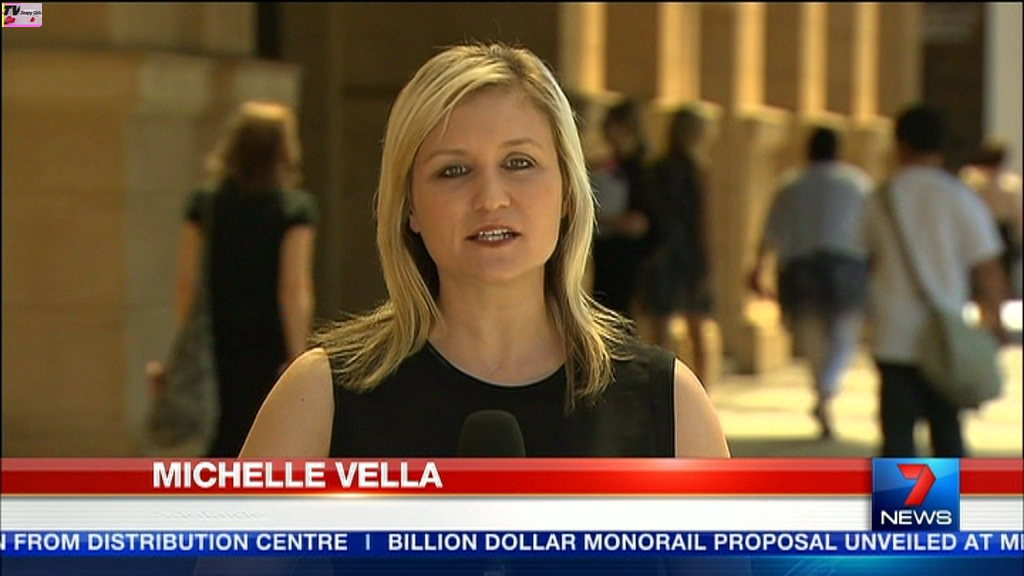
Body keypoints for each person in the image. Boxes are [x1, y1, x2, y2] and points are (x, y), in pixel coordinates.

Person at [238, 43, 729, 460]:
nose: (491, 199)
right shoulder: (320, 398)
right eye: (453, 170)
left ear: (567, 191)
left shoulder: (668, 404)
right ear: (409, 207)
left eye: (519, 163)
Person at [148, 101, 319, 458]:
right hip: (268, 341)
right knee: (263, 437)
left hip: (219, 337)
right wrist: (297, 355)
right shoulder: (293, 209)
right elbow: (293, 287)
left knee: (222, 438)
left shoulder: (206, 203)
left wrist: (186, 345)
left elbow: (188, 280)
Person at [855, 104, 1007, 457]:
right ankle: (944, 496)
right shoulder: (959, 197)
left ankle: (901, 497)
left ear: (900, 144)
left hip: (894, 334)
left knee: (897, 439)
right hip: (945, 336)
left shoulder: (879, 199)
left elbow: (863, 259)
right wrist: (994, 320)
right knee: (947, 434)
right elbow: (987, 267)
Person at [749, 127, 872, 439]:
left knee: (810, 333)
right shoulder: (857, 184)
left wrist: (758, 267)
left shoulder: (791, 184)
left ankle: (822, 387)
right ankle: (827, 388)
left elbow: (771, 230)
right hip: (847, 265)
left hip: (800, 267)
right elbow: (873, 231)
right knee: (844, 334)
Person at [640, 106, 715, 385]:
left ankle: (661, 389)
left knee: (661, 330)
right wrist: (709, 263)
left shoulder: (656, 169)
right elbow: (703, 222)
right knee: (698, 328)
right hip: (689, 254)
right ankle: (702, 392)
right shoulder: (698, 171)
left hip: (661, 252)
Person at [590, 99, 657, 319]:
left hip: (628, 259)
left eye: (610, 125)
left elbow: (640, 224)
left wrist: (600, 218)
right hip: (607, 254)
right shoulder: (611, 165)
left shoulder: (641, 170)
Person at [959, 139, 1024, 300]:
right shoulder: (1009, 184)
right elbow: (1018, 213)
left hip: (982, 228)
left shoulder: (968, 180)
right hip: (1000, 230)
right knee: (1001, 273)